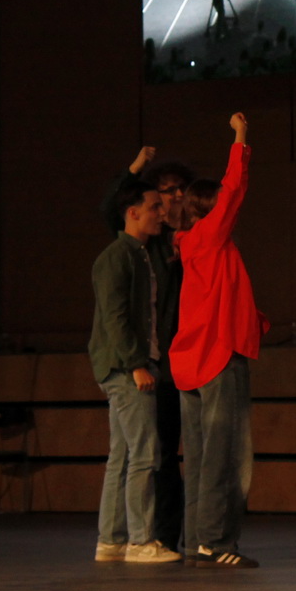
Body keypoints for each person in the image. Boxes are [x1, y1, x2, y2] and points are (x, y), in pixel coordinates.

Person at [170, 112, 262, 568]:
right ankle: (215, 541)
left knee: (201, 456)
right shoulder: (210, 236)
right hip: (217, 356)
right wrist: (240, 137)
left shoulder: (194, 245)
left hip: (191, 360)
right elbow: (234, 189)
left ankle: (195, 541)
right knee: (225, 458)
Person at [101, 147, 195, 552]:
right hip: (150, 361)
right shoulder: (141, 247)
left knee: (158, 452)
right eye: (166, 192)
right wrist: (135, 168)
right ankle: (145, 537)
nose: (175, 197)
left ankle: (148, 536)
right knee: (146, 455)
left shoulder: (192, 237)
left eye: (181, 189)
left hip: (179, 359)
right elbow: (115, 209)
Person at [88, 180, 181, 564]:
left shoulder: (138, 254)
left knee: (123, 455)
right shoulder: (117, 256)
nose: (162, 213)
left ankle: (111, 540)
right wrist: (137, 365)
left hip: (129, 365)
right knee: (144, 453)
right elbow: (116, 317)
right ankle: (141, 540)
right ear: (133, 213)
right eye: (154, 207)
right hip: (126, 368)